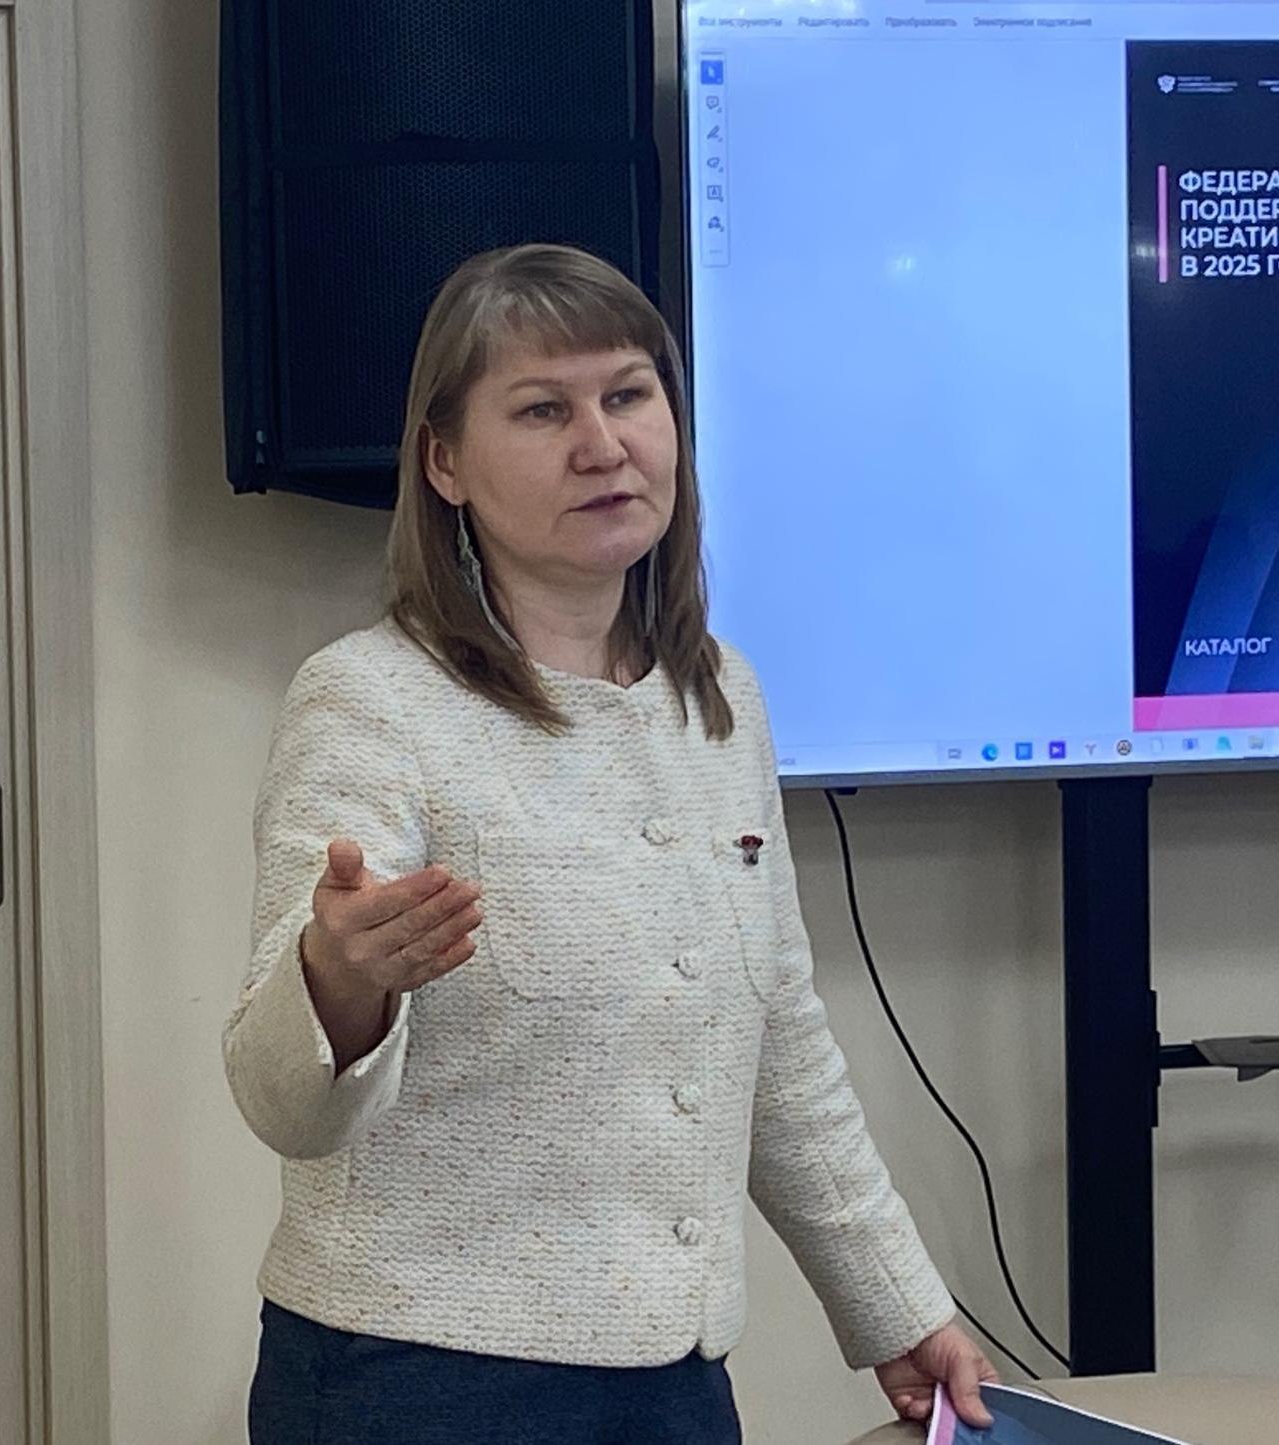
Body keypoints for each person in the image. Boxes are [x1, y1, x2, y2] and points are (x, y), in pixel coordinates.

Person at [222, 243, 998, 1443]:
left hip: (673, 1379)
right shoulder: (370, 700)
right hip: (413, 1380)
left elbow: (780, 1046)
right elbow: (283, 1101)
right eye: (542, 410)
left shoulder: (718, 695)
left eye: (628, 395)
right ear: (443, 462)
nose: (602, 444)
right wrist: (338, 978)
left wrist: (897, 1306)